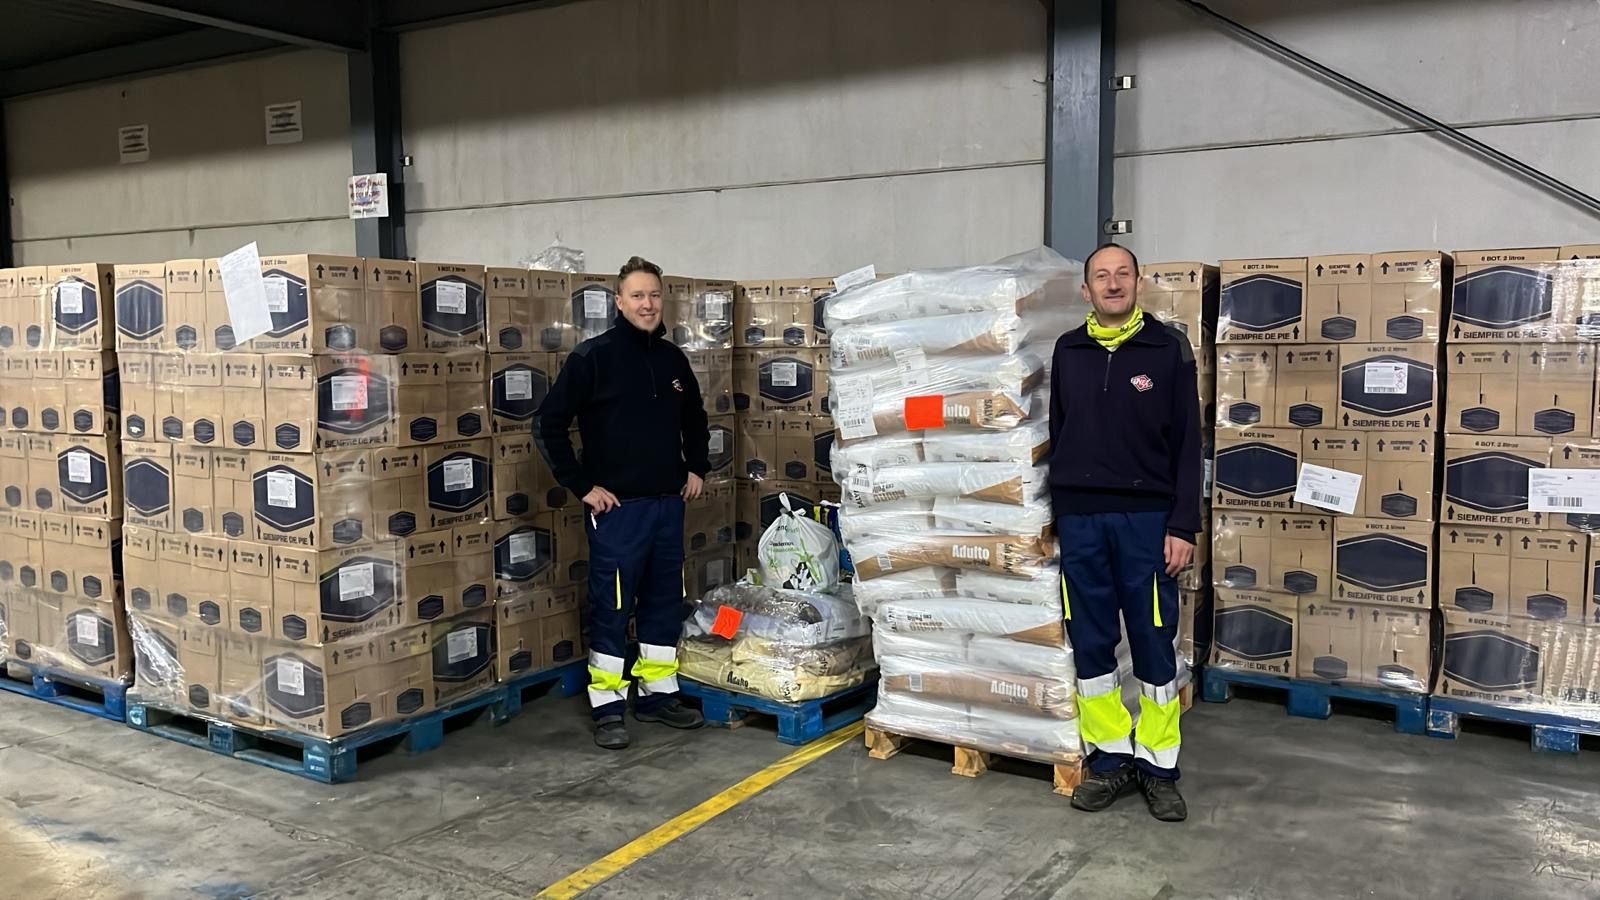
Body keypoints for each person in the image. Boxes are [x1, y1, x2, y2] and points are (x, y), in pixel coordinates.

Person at [1048, 243, 1201, 821]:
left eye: (1122, 275)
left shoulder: (1167, 349)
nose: (1112, 284)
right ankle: (1110, 759)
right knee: (1089, 640)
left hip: (1146, 522)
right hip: (1082, 519)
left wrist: (1183, 523)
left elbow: (1190, 445)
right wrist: (1060, 512)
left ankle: (1159, 766)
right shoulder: (1069, 350)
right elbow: (1059, 429)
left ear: (1139, 283)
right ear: (1085, 290)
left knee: (1153, 641)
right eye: (1100, 277)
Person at [535, 255, 711, 750]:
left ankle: (658, 694)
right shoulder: (593, 358)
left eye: (654, 295)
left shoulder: (673, 360)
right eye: (637, 295)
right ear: (619, 302)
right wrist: (582, 486)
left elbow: (695, 418)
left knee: (662, 603)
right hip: (617, 512)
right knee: (611, 608)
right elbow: (547, 424)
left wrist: (696, 467)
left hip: (667, 505)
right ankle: (608, 705)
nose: (648, 304)